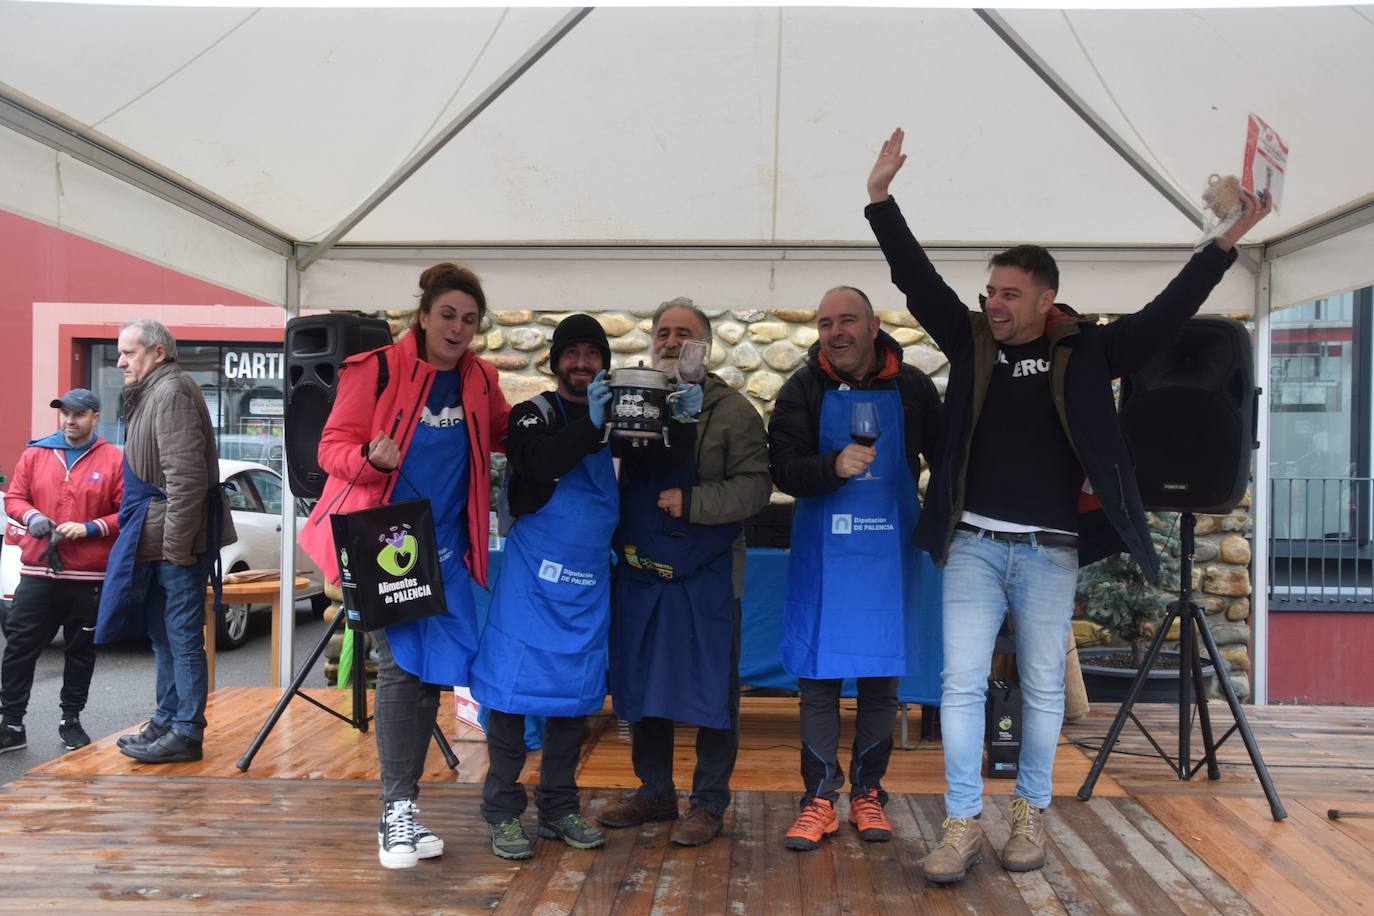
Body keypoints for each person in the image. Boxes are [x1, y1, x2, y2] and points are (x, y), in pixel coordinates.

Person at [863, 127, 1273, 883]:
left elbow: (1169, 312)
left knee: (1045, 685)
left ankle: (1029, 814)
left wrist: (1229, 241)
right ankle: (961, 823)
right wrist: (881, 200)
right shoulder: (972, 341)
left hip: (1050, 550)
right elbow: (916, 280)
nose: (994, 304)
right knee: (959, 683)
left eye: (1009, 294)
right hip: (976, 546)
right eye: (990, 292)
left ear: (1045, 299)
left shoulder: (1091, 352)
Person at [299, 263, 511, 869]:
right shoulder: (377, 370)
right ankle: (396, 814)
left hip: (450, 546)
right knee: (400, 670)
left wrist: (568, 419)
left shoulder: (480, 379)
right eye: (447, 314)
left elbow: (502, 433)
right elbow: (329, 449)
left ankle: (404, 811)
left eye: (470, 319)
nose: (458, 327)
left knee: (431, 677)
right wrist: (368, 457)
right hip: (389, 541)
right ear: (423, 314)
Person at [768, 286, 943, 851]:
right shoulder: (802, 388)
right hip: (824, 552)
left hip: (889, 553)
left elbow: (946, 458)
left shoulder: (912, 388)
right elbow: (785, 469)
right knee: (817, 680)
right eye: (825, 323)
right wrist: (831, 465)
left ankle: (869, 792)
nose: (835, 332)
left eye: (847, 320)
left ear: (874, 326)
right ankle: (819, 798)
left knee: (880, 679)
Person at [598, 298, 771, 847]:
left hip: (709, 575)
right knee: (643, 681)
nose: (671, 343)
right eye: (663, 333)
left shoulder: (735, 412)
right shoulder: (635, 401)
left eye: (685, 334)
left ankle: (709, 801)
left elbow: (755, 488)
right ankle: (654, 792)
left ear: (706, 346)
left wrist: (693, 501)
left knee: (714, 690)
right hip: (641, 571)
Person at [469, 314, 619, 860]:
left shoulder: (616, 418)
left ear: (604, 362)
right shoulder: (534, 414)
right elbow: (538, 462)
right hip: (532, 586)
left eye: (591, 354)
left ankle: (558, 808)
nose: (581, 363)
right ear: (555, 362)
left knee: (572, 700)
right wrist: (591, 426)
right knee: (510, 695)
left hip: (584, 587)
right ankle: (503, 811)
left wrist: (683, 421)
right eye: (572, 354)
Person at [96, 320, 237, 764]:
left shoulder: (171, 392)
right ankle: (166, 719)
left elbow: (187, 479)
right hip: (158, 536)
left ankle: (186, 731)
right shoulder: (155, 390)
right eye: (119, 353)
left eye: (129, 352)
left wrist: (177, 546)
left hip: (175, 541)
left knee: (180, 636)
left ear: (158, 353)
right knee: (162, 635)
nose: (120, 361)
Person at [1, 389, 123, 754]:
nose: (70, 421)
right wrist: (33, 517)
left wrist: (91, 528)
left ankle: (71, 720)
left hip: (87, 577)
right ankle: (10, 723)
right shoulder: (36, 453)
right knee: (20, 648)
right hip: (38, 572)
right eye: (65, 414)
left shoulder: (114, 459)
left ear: (95, 417)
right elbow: (14, 499)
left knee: (80, 650)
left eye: (78, 414)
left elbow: (127, 513)